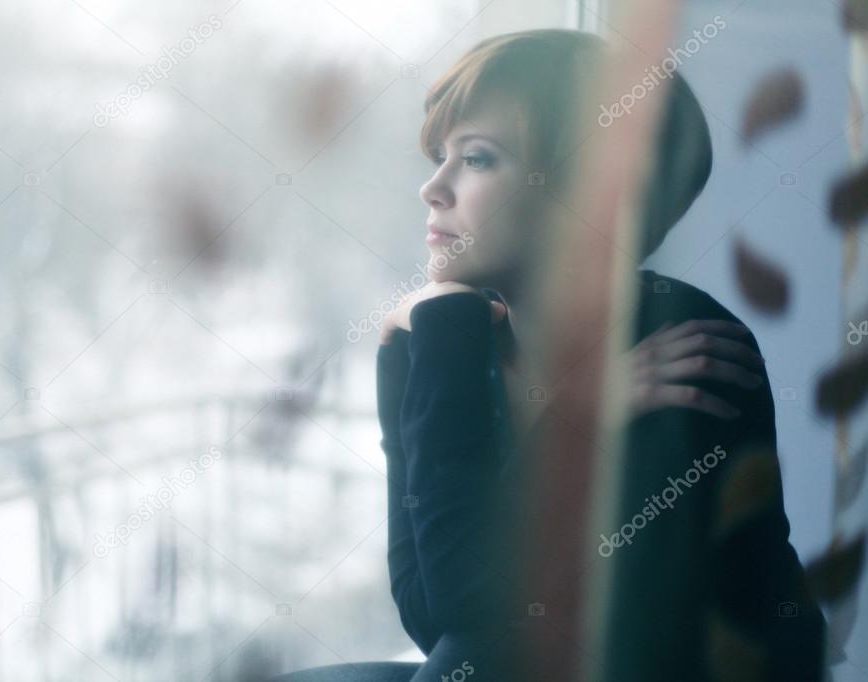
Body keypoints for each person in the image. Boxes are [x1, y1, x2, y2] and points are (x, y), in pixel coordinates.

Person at [268, 29, 825, 681]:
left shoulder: (684, 340)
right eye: (438, 157)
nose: (433, 188)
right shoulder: (445, 335)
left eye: (475, 159)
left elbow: (503, 621)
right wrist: (444, 328)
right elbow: (431, 612)